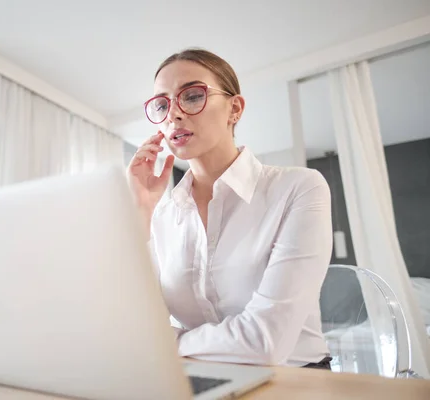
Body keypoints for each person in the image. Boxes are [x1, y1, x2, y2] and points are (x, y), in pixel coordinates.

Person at [126, 48, 333, 368]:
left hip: (296, 378)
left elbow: (266, 342)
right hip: (201, 377)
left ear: (234, 109)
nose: (174, 114)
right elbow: (135, 326)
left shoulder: (299, 189)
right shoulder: (163, 214)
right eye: (162, 104)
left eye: (192, 96)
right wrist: (140, 210)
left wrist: (169, 341)